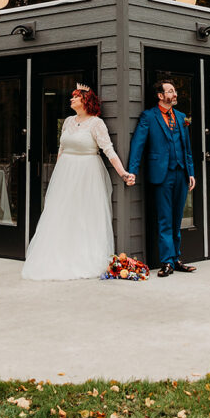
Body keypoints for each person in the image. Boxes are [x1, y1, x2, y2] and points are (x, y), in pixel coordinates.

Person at [22, 84, 132, 280]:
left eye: (75, 97)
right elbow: (62, 149)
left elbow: (108, 150)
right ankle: (59, 254)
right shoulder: (68, 121)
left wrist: (123, 173)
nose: (71, 100)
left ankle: (83, 256)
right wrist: (58, 175)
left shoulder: (96, 123)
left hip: (88, 173)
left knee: (84, 215)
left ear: (85, 101)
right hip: (66, 172)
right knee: (62, 213)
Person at [126, 78, 197, 277]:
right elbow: (138, 145)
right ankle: (167, 262)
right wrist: (132, 170)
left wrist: (190, 172)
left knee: (176, 219)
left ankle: (176, 259)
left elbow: (187, 148)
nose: (175, 94)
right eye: (171, 91)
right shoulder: (149, 117)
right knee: (165, 219)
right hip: (161, 175)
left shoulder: (182, 117)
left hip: (181, 173)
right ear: (160, 95)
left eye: (174, 91)